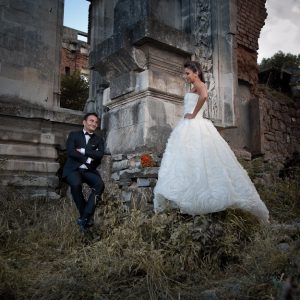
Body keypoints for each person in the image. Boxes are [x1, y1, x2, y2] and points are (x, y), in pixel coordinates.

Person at [153, 61, 269, 223]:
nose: (184, 76)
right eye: (183, 73)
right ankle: (190, 197)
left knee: (205, 160)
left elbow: (205, 96)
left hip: (196, 124)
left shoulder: (200, 85)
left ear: (196, 72)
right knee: (188, 161)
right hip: (187, 126)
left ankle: (207, 201)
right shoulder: (193, 87)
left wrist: (193, 114)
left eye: (187, 73)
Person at [63, 112, 105, 231]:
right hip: (73, 169)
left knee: (100, 184)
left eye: (96, 122)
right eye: (91, 121)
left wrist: (82, 150)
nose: (94, 124)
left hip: (88, 170)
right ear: (84, 122)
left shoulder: (98, 139)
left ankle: (84, 217)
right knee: (75, 184)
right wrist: (87, 158)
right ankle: (85, 216)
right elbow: (71, 152)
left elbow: (99, 155)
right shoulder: (74, 135)